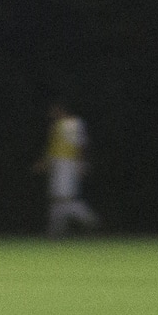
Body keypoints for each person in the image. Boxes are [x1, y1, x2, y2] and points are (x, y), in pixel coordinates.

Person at [34, 101, 99, 236]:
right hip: (58, 165)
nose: (51, 114)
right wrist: (45, 162)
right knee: (57, 198)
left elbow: (80, 145)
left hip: (67, 164)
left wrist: (81, 164)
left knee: (64, 198)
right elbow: (53, 148)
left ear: (60, 110)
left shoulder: (72, 124)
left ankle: (90, 219)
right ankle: (56, 230)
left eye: (53, 110)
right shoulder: (57, 126)